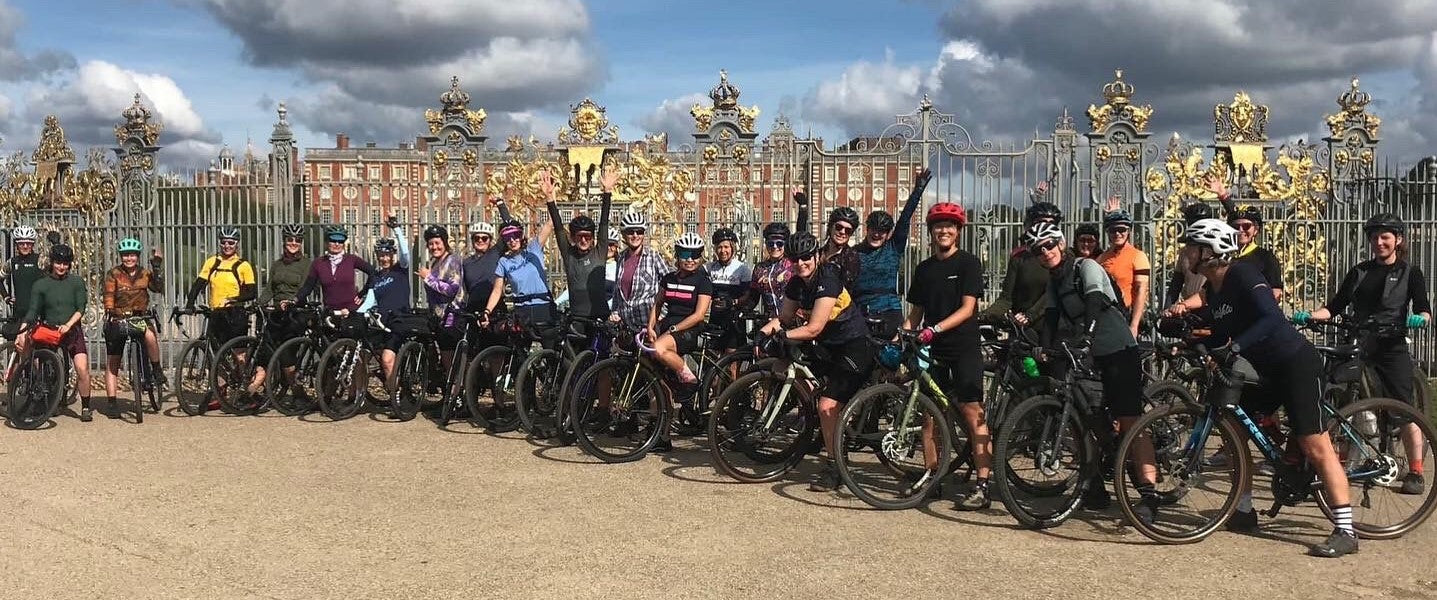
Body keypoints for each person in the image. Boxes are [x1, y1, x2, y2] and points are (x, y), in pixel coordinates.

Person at [1169, 218, 1359, 558]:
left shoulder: (1243, 274)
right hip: (1266, 371)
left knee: (1315, 443)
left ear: (1210, 251)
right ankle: (1243, 510)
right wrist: (1186, 339)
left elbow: (1272, 318)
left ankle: (1346, 529)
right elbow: (1218, 330)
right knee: (1234, 425)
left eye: (1191, 247)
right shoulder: (1213, 290)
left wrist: (1235, 347)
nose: (1185, 254)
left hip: (1296, 363)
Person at [1295, 213, 1431, 495]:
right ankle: (1337, 464)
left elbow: (1423, 307)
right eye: (1374, 237)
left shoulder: (1410, 272)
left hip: (1390, 345)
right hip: (1357, 342)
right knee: (1339, 400)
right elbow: (1334, 306)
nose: (1379, 242)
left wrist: (1420, 318)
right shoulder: (1359, 271)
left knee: (1402, 408)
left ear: (1398, 240)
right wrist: (1310, 315)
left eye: (1385, 237)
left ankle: (1416, 470)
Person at [1029, 221, 1157, 518]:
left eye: (1049, 245)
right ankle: (1095, 484)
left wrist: (1087, 334)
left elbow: (1095, 303)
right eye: (1038, 250)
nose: (1045, 252)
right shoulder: (1054, 281)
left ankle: (1149, 492)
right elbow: (1050, 318)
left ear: (1061, 244)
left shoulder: (1085, 267)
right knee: (1085, 417)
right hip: (1088, 354)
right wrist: (1042, 349)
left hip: (1117, 348)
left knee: (1129, 419)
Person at [757, 232, 874, 492]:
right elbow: (784, 318)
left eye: (806, 257)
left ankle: (835, 467)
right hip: (828, 347)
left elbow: (813, 328)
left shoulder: (827, 280)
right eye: (796, 258)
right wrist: (763, 333)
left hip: (853, 346)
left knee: (827, 405)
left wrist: (782, 337)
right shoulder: (796, 284)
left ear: (817, 256)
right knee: (781, 368)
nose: (801, 263)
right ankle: (820, 424)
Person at [903, 201, 989, 510]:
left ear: (958, 231)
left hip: (962, 346)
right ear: (930, 232)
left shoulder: (968, 264)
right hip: (934, 348)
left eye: (950, 225)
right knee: (930, 415)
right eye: (938, 225)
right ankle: (933, 474)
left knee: (971, 411)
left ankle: (982, 483)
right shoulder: (924, 268)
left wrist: (933, 329)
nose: (944, 230)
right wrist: (903, 335)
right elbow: (916, 313)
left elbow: (968, 308)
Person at [647, 232, 714, 452]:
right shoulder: (668, 279)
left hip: (690, 330)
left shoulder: (703, 281)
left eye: (696, 254)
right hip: (669, 328)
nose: (690, 258)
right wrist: (650, 326)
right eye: (686, 254)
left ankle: (690, 379)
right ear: (678, 255)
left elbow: (699, 314)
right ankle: (662, 436)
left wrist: (675, 328)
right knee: (657, 383)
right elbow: (657, 304)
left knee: (659, 347)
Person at [855, 167, 932, 338]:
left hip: (889, 311)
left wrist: (917, 191)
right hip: (860, 312)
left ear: (888, 234)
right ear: (867, 230)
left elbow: (904, 220)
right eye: (873, 229)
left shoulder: (893, 247)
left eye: (882, 231)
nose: (876, 234)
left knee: (890, 358)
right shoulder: (854, 252)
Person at [23, 243, 94, 421]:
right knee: (39, 363)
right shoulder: (41, 284)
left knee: (82, 368)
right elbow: (33, 310)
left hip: (71, 329)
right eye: (58, 263)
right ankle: (40, 397)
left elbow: (81, 308)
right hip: (49, 330)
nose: (61, 267)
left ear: (69, 265)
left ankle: (86, 406)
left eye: (65, 263)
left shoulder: (76, 282)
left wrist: (69, 325)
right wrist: (22, 329)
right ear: (52, 263)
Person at [101, 238, 166, 412]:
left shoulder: (144, 273)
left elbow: (158, 288)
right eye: (125, 255)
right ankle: (112, 401)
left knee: (150, 336)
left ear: (137, 257)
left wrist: (157, 267)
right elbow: (108, 294)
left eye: (132, 255)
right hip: (119, 316)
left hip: (139, 316)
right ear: (121, 257)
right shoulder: (113, 273)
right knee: (113, 360)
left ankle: (156, 369)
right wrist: (110, 310)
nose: (129, 259)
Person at [982, 188, 1063, 326]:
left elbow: (1055, 292)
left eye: (1052, 224)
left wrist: (1030, 315)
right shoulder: (1019, 258)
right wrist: (985, 315)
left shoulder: (1065, 256)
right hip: (1023, 326)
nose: (1046, 227)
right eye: (1041, 223)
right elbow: (1006, 298)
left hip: (1054, 326)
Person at [546, 167, 615, 324]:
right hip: (577, 317)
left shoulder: (599, 252)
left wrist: (607, 192)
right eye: (579, 237)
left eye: (587, 237)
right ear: (573, 238)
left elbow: (604, 222)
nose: (583, 240)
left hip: (600, 317)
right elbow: (558, 227)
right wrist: (550, 198)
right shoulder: (569, 254)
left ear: (592, 239)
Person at [185, 227, 257, 368]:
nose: (227, 246)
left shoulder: (243, 266)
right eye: (224, 242)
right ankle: (220, 388)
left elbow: (252, 293)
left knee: (238, 352)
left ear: (237, 244)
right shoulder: (212, 262)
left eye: (231, 243)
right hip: (216, 312)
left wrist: (235, 299)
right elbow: (198, 284)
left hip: (235, 313)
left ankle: (245, 380)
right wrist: (190, 303)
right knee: (217, 354)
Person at [480, 216, 557, 336]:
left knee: (550, 348)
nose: (512, 240)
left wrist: (551, 199)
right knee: (519, 349)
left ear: (521, 236)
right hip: (522, 310)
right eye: (507, 238)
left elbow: (549, 225)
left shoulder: (534, 249)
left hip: (542, 307)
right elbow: (497, 290)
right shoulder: (504, 262)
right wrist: (487, 311)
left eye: (515, 235)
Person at [358, 217, 412, 381]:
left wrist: (397, 229)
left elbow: (405, 254)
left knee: (387, 360)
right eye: (381, 255)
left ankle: (395, 395)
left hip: (398, 319)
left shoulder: (400, 269)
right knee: (361, 356)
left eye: (387, 255)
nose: (384, 259)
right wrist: (357, 313)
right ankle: (359, 396)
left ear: (392, 255)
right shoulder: (376, 278)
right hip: (381, 322)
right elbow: (370, 301)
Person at [293, 225, 378, 313]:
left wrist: (362, 293)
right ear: (326, 242)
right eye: (333, 241)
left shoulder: (352, 259)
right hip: (330, 312)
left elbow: (373, 272)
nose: (337, 244)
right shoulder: (318, 263)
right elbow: (308, 287)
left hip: (352, 311)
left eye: (340, 241)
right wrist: (294, 300)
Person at [612, 209, 671, 333]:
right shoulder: (621, 258)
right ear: (623, 234)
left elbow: (669, 285)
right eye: (630, 232)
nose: (635, 235)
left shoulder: (653, 256)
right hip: (627, 324)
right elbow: (617, 291)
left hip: (650, 323)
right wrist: (615, 311)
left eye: (639, 232)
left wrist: (662, 313)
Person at [1095, 205, 1150, 337]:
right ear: (1107, 232)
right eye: (1113, 230)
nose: (1118, 234)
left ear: (1129, 231)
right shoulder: (1101, 258)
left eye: (1122, 230)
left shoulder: (1138, 256)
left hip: (1126, 316)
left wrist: (1134, 324)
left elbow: (1141, 291)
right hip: (1105, 317)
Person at [419, 224, 465, 368]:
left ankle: (457, 387)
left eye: (437, 243)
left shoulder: (452, 260)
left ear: (445, 243)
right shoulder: (435, 263)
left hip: (452, 317)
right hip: (438, 317)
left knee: (450, 357)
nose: (434, 247)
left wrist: (428, 278)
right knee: (445, 356)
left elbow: (452, 289)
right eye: (431, 244)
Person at [1, 226, 44, 370]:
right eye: (21, 243)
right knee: (22, 347)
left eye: (28, 243)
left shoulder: (39, 260)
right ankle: (28, 378)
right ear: (16, 245)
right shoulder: (11, 263)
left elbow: (56, 270)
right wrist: (6, 297)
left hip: (38, 311)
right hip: (20, 311)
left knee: (35, 347)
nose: (25, 246)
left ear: (33, 244)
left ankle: (40, 376)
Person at [704, 227, 751, 352]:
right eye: (719, 247)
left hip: (734, 320)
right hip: (715, 318)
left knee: (731, 361)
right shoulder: (709, 268)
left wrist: (734, 302)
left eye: (726, 247)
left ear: (732, 248)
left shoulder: (742, 269)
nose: (723, 251)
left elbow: (748, 295)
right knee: (711, 359)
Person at [1163, 202, 1217, 306]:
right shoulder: (1185, 251)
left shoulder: (1216, 250)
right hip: (1188, 306)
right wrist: (1167, 308)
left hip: (1208, 305)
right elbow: (1176, 284)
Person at [748, 222, 795, 318]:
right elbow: (753, 296)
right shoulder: (760, 268)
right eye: (770, 244)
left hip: (792, 321)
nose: (774, 247)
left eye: (779, 244)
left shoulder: (793, 265)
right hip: (768, 322)